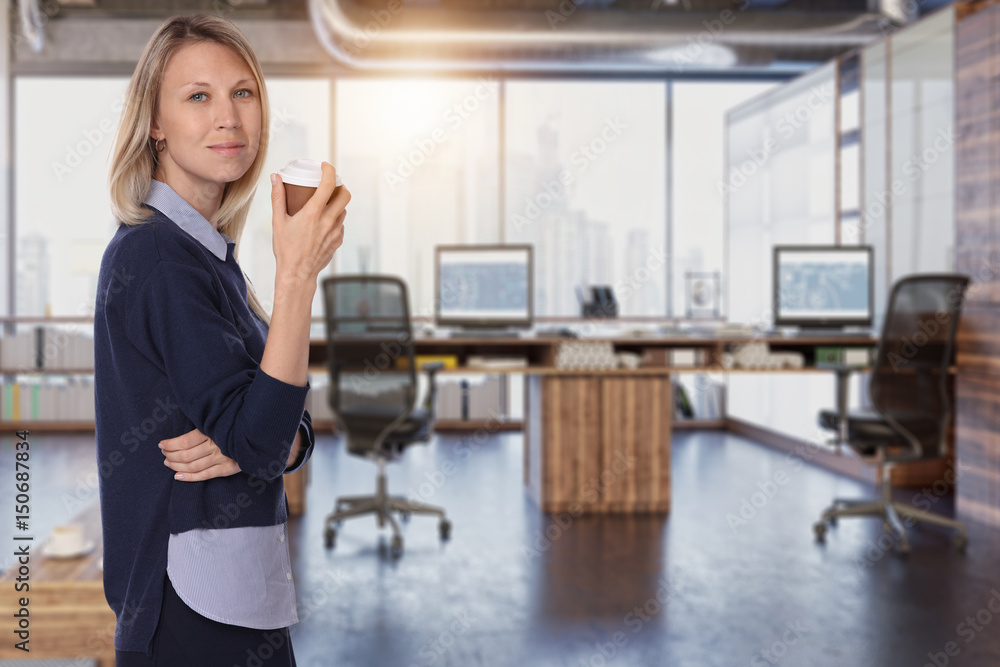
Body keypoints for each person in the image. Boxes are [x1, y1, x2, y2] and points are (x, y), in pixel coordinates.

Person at [94, 13, 348, 665]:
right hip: (190, 601)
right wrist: (298, 273)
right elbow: (260, 430)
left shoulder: (208, 257)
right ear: (155, 122)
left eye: (243, 92)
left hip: (237, 588)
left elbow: (272, 421)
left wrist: (278, 438)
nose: (228, 116)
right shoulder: (158, 258)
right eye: (198, 96)